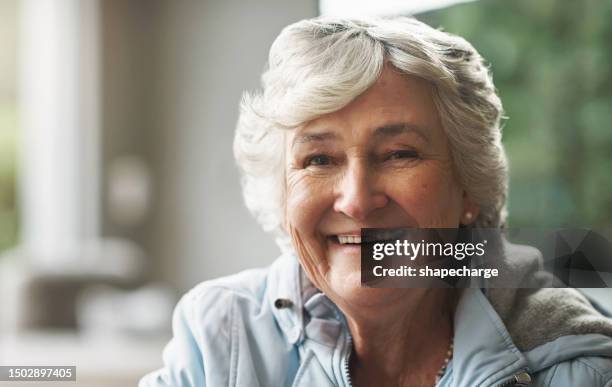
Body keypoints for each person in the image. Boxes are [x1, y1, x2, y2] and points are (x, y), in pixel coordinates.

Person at [141, 17, 612, 386]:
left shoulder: (576, 368)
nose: (358, 201)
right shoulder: (223, 336)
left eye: (399, 154)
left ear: (468, 188)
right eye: (319, 159)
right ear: (283, 193)